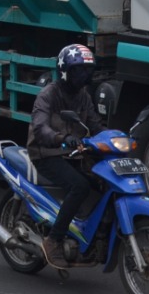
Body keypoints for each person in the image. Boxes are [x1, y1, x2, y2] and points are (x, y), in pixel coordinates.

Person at [27, 43, 103, 270]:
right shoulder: (48, 95)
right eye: (79, 70)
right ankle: (54, 240)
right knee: (79, 186)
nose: (84, 75)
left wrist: (116, 138)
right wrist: (63, 138)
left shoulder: (83, 97)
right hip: (46, 153)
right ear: (65, 71)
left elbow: (95, 126)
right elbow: (41, 129)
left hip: (73, 154)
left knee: (103, 182)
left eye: (88, 71)